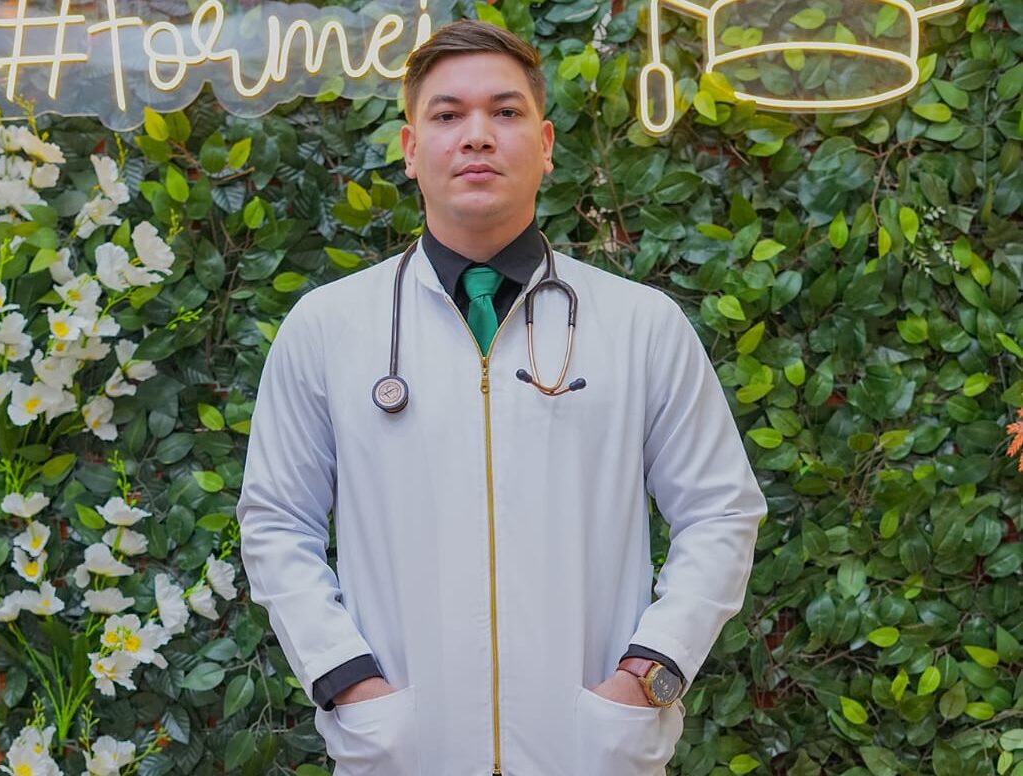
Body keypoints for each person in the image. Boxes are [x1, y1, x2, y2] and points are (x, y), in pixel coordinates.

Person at [236, 19, 767, 776]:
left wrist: (650, 672)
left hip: (587, 748)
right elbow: (276, 523)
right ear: (410, 149)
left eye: (506, 111)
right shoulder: (327, 328)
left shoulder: (640, 325)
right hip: (405, 748)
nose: (477, 135)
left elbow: (720, 512)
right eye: (448, 115)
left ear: (545, 146)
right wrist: (348, 684)